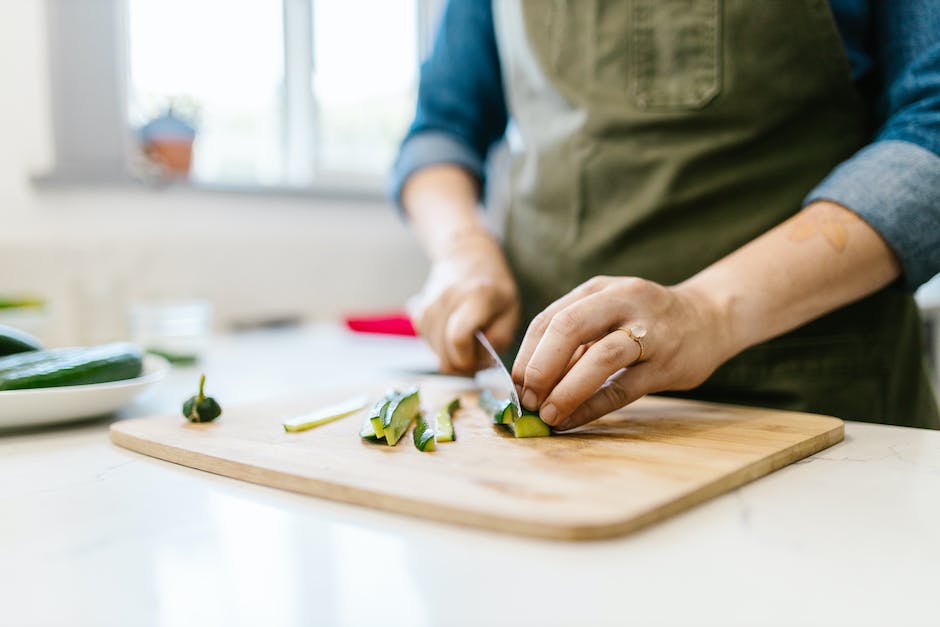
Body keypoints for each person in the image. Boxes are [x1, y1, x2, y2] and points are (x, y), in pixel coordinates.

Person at [391, 1, 940, 430]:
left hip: (820, 402)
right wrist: (462, 249)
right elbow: (442, 127)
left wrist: (709, 311)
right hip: (551, 403)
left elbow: (930, 125)